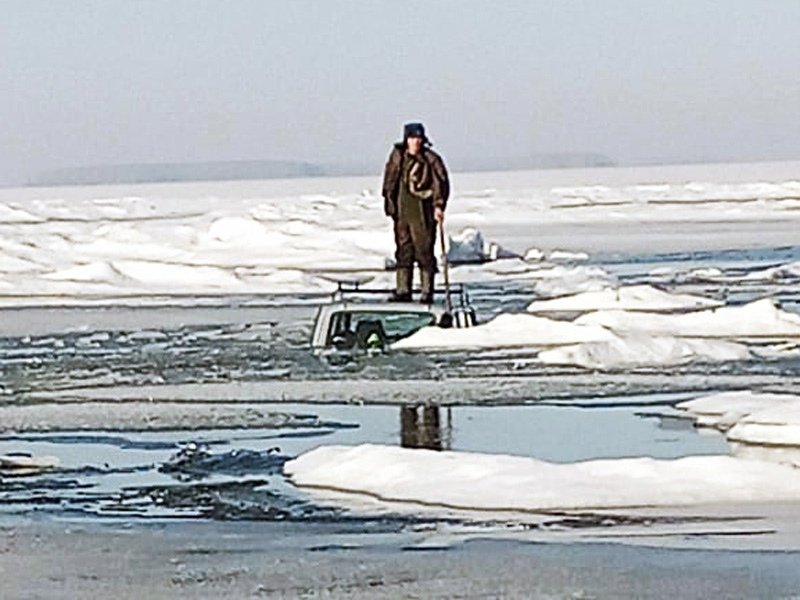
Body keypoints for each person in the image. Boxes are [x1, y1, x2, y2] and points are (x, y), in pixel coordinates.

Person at [382, 122, 450, 304]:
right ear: (407, 139)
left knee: (424, 250)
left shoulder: (431, 160)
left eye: (418, 138)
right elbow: (389, 181)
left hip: (423, 214)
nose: (416, 142)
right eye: (412, 138)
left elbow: (440, 184)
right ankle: (403, 290)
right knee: (403, 250)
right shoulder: (397, 158)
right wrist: (389, 203)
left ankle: (427, 292)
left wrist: (438, 205)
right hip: (402, 213)